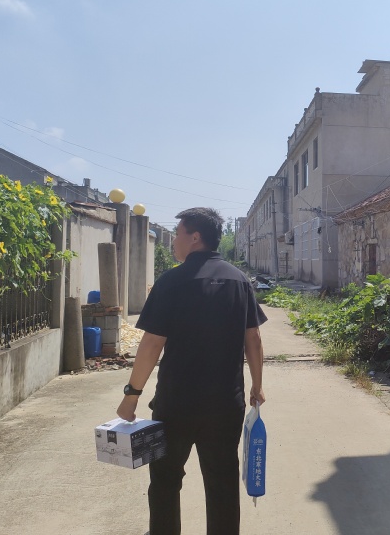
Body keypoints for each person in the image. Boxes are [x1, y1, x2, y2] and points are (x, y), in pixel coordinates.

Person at [117, 207, 266, 535]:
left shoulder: (171, 281)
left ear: (195, 237)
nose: (174, 241)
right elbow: (253, 339)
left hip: (176, 405)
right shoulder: (239, 280)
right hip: (225, 404)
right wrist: (257, 386)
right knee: (223, 481)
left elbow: (152, 344)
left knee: (165, 480)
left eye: (178, 234)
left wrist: (132, 395)